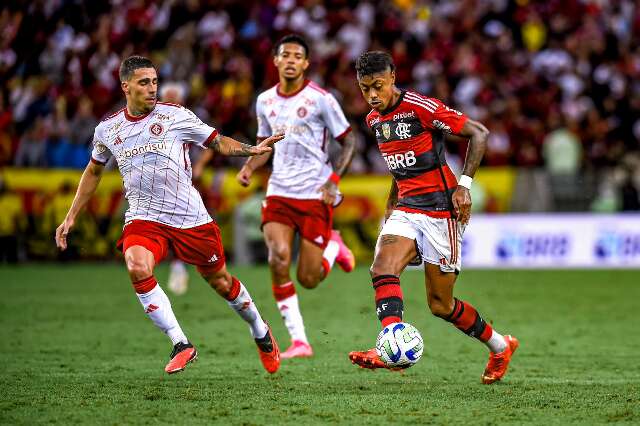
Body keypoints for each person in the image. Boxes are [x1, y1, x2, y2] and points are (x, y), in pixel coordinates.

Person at [55, 56, 284, 375]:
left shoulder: (175, 116)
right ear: (126, 86)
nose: (152, 88)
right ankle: (181, 343)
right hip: (143, 217)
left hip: (189, 217)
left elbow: (217, 142)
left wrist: (251, 149)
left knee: (220, 281)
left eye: (154, 81)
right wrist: (71, 216)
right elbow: (93, 171)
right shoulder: (108, 129)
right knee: (136, 264)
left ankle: (260, 330)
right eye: (144, 82)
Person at [348, 51, 518, 384]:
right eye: (364, 88)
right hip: (407, 209)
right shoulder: (374, 120)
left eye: (378, 86)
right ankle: (392, 347)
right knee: (382, 267)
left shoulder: (420, 108)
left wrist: (464, 186)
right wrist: (389, 208)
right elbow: (400, 170)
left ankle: (500, 345)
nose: (371, 95)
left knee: (441, 305)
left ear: (393, 77)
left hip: (442, 211)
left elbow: (479, 133)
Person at [232, 34, 358, 359]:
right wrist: (249, 166)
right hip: (279, 193)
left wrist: (333, 180)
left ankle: (334, 246)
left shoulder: (321, 99)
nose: (290, 60)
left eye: (296, 56)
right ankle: (300, 341)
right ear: (275, 61)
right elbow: (265, 143)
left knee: (309, 279)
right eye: (284, 54)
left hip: (315, 194)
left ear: (305, 63)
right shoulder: (264, 101)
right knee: (277, 258)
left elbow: (349, 141)